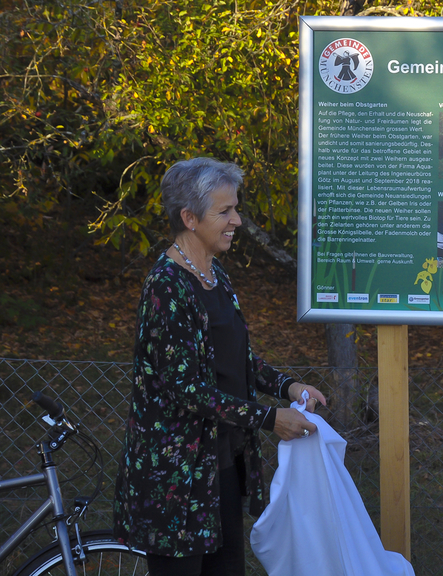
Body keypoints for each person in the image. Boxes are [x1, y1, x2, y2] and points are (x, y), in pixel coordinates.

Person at [113, 158, 328, 576]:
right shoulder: (166, 287)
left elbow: (239, 360)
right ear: (189, 218)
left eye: (236, 208)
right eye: (225, 211)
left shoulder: (216, 275)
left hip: (220, 467)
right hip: (176, 480)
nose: (238, 220)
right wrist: (270, 418)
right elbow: (187, 389)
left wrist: (288, 387)